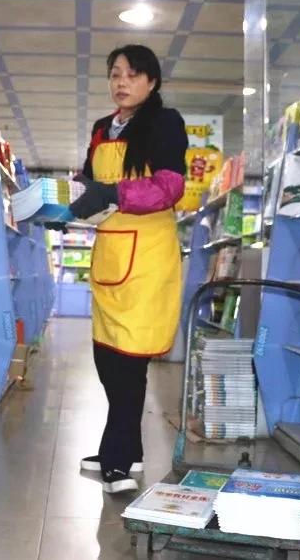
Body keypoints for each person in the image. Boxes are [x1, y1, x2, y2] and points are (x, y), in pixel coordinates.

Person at [69, 44, 188, 494]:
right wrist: (76, 196)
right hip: (110, 257)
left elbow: (169, 187)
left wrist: (114, 194)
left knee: (128, 365)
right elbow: (88, 181)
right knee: (105, 357)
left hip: (148, 260)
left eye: (133, 75)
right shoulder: (103, 128)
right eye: (115, 73)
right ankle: (129, 449)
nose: (122, 82)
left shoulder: (164, 123)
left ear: (151, 82)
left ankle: (117, 459)